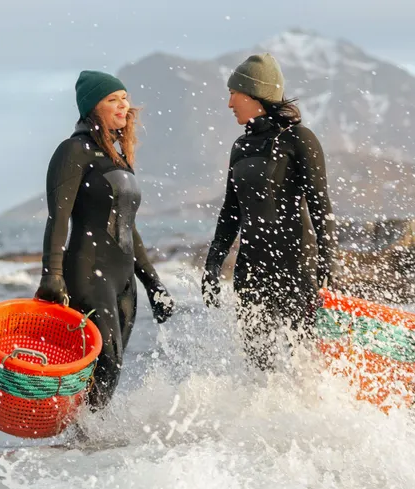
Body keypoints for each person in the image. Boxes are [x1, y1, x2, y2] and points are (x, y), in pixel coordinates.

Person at [34, 70, 174, 409]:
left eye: (124, 98)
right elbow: (59, 217)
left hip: (124, 280)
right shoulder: (73, 151)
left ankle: (85, 449)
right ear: (91, 108)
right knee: (106, 362)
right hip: (88, 272)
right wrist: (51, 275)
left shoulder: (117, 158)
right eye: (112, 99)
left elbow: (129, 227)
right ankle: (82, 443)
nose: (123, 105)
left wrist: (153, 282)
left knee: (109, 373)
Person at [202, 53, 337, 371]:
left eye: (234, 93)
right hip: (251, 273)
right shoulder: (240, 146)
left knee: (305, 365)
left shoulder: (299, 139)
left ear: (254, 94)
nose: (229, 102)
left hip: (296, 268)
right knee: (258, 369)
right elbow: (230, 213)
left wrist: (328, 262)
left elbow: (320, 204)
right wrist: (212, 265)